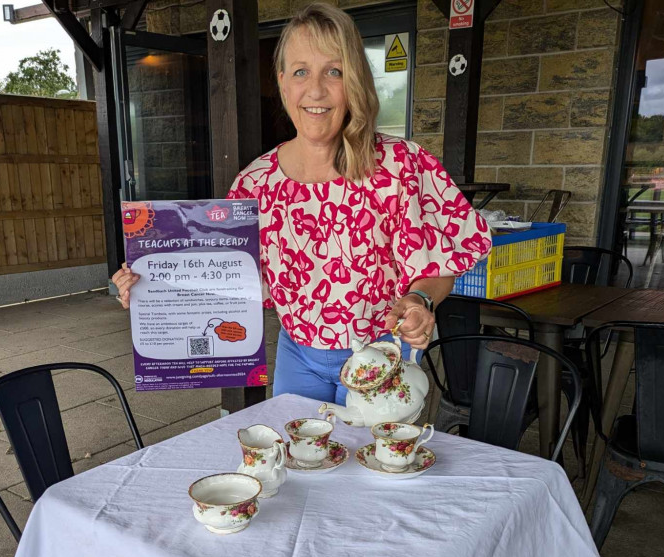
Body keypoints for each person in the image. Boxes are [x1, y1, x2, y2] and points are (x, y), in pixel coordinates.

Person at [112, 3, 491, 405]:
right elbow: (225, 280)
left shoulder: (400, 165)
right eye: (300, 72)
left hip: (381, 353)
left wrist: (421, 300)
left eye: (334, 71)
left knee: (371, 466)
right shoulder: (254, 184)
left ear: (355, 81)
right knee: (298, 459)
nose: (315, 90)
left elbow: (440, 261)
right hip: (297, 355)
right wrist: (150, 288)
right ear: (282, 83)